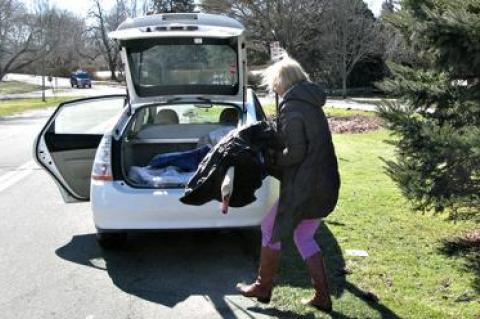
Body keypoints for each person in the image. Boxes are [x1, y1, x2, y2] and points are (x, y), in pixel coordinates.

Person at [236, 56, 340, 313]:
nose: (274, 89)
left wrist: (270, 159)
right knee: (303, 235)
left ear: (282, 81)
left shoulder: (293, 107)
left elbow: (295, 153)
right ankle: (322, 296)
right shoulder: (310, 103)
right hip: (323, 183)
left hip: (305, 187)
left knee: (270, 228)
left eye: (275, 83)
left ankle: (263, 286)